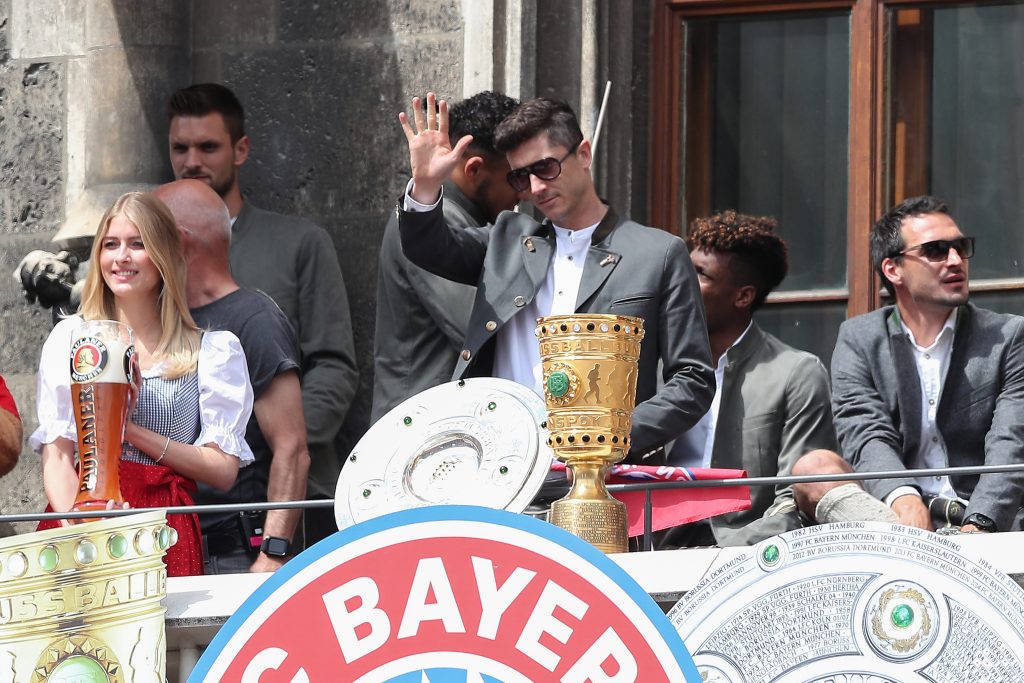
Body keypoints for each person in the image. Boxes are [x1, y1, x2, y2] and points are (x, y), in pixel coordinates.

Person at [397, 93, 714, 460]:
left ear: (583, 154)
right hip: (500, 463)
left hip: (603, 474)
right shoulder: (507, 239)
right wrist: (424, 186)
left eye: (546, 168)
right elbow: (428, 249)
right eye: (520, 177)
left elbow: (693, 380)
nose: (535, 189)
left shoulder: (658, 253)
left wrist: (607, 436)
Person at [167, 83, 357, 544]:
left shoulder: (298, 243)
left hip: (280, 495)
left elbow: (334, 368)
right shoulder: (152, 254)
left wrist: (263, 442)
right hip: (180, 497)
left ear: (240, 150)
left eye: (208, 146)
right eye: (180, 147)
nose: (192, 160)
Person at [30, 192, 254, 576]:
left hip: (162, 525)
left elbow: (222, 469)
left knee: (161, 635)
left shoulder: (211, 350)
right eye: (111, 244)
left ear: (165, 255)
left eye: (138, 244)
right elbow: (59, 454)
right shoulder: (71, 338)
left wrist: (127, 429)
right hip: (79, 518)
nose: (121, 257)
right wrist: (85, 530)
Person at [792, 195, 1024, 533]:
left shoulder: (1009, 335)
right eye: (936, 251)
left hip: (980, 519)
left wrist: (980, 524)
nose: (956, 260)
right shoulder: (858, 338)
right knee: (813, 468)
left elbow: (1012, 441)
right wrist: (903, 498)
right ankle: (906, 548)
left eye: (960, 247)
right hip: (893, 516)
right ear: (893, 269)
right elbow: (865, 432)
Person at [155, 179, 309, 573]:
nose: (136, 253)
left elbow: (291, 448)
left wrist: (272, 553)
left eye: (145, 238)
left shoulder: (253, 319)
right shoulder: (156, 320)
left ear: (178, 240)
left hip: (232, 551)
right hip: (163, 544)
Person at [660, 211, 839, 548]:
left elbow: (795, 501)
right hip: (651, 549)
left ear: (742, 296)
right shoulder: (650, 366)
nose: (680, 283)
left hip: (745, 557)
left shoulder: (796, 372)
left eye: (699, 274)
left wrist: (724, 556)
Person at [372, 91, 519, 421]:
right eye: (515, 178)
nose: (524, 192)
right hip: (422, 430)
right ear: (474, 169)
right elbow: (479, 325)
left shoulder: (476, 221)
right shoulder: (435, 224)